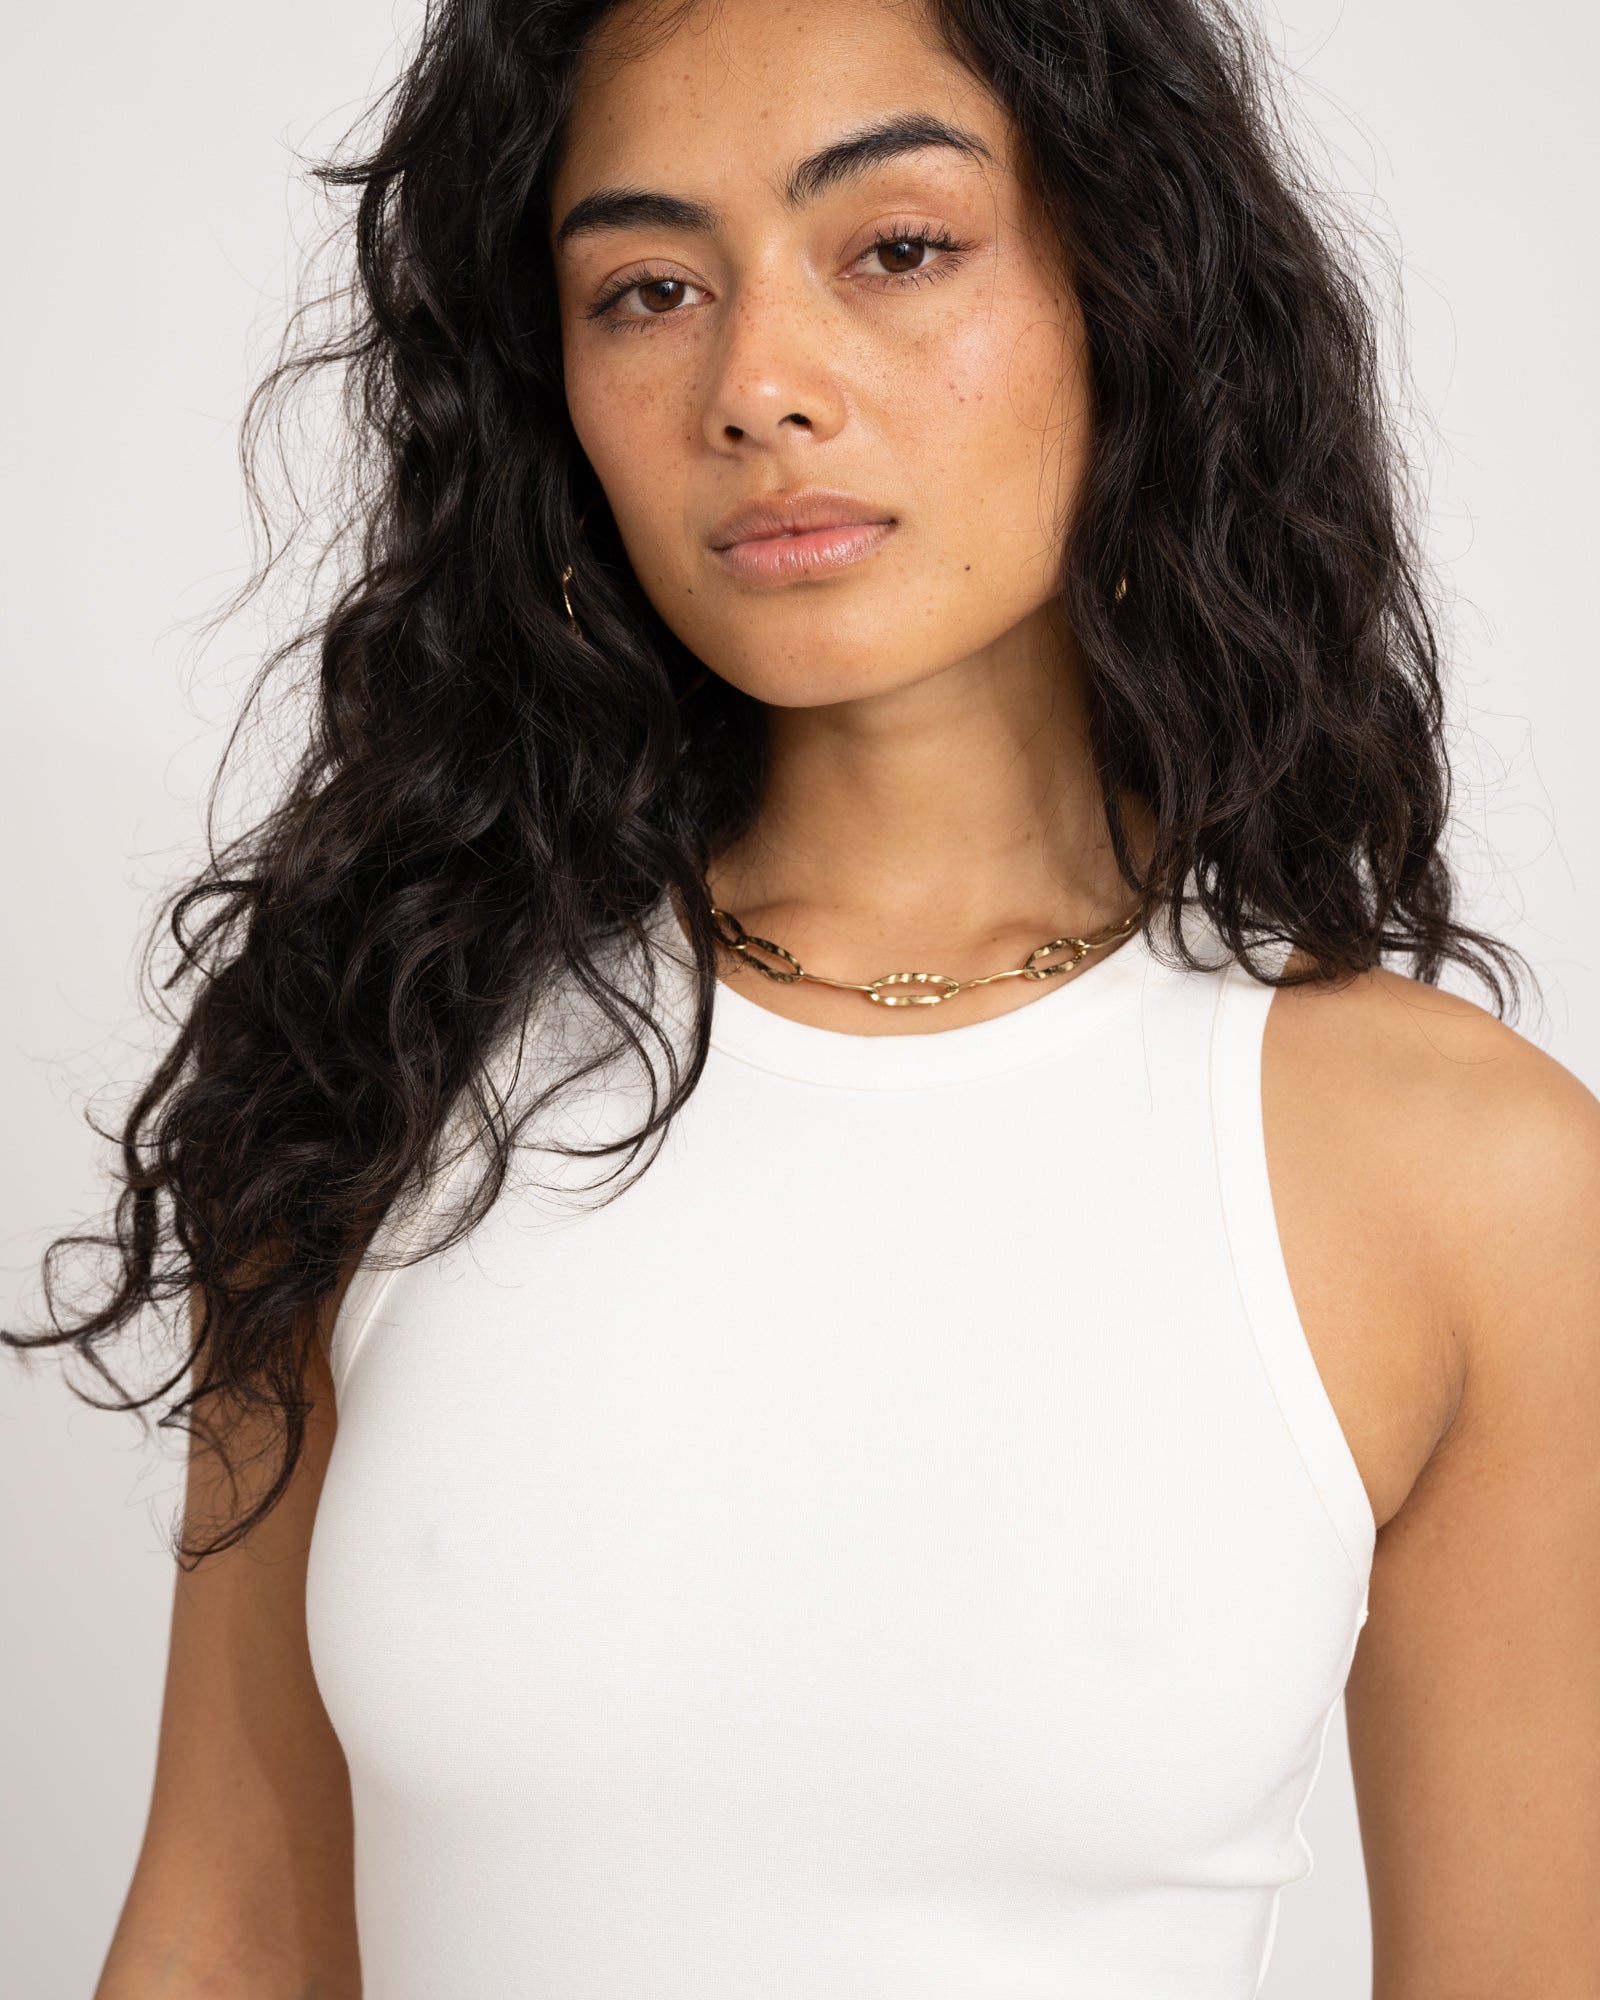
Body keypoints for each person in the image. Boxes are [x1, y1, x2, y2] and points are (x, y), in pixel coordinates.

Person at [10, 0, 1597, 1993]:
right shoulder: (380, 1051)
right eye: (648, 290)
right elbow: (225, 1933)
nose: (758, 385)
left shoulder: (1464, 1178)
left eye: (897, 248)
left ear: (1128, 284)